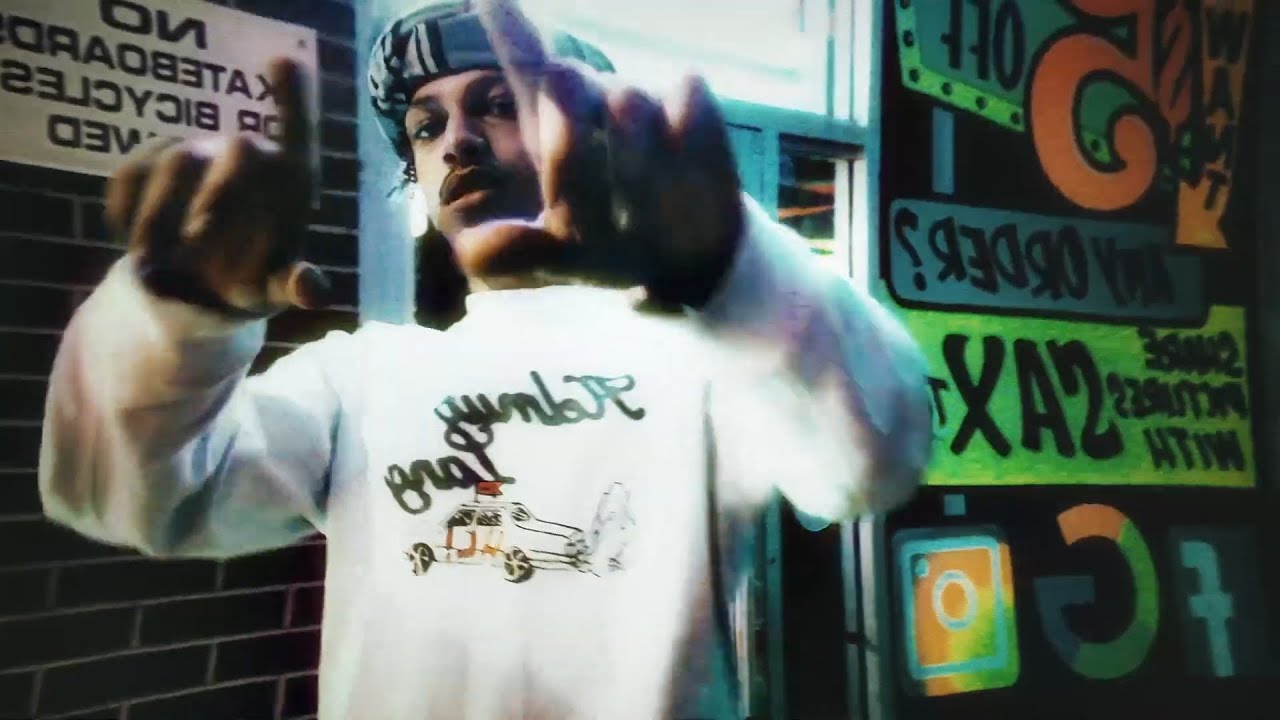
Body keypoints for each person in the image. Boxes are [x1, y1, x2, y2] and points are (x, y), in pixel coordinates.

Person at [38, 1, 932, 718]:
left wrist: (725, 266)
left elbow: (872, 456)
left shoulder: (699, 352)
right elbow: (133, 496)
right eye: (426, 127)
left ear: (588, 134)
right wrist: (176, 319)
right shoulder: (361, 376)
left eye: (499, 104)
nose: (456, 141)